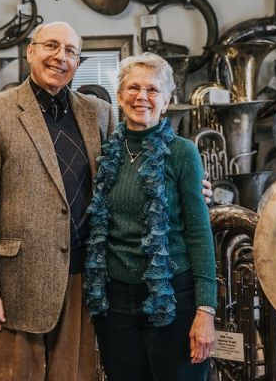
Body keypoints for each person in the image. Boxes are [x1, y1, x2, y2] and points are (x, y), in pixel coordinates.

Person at [0, 21, 115, 381]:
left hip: (82, 280)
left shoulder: (99, 113)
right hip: (15, 286)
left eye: (71, 51)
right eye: (51, 46)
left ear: (78, 62)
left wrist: (182, 184)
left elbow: (124, 179)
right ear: (30, 51)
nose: (61, 56)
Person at [84, 52, 217, 381]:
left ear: (167, 101)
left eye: (152, 89)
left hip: (172, 296)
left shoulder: (183, 152)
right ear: (119, 96)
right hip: (114, 301)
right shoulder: (106, 151)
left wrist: (206, 310)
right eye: (133, 88)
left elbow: (199, 234)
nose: (141, 96)